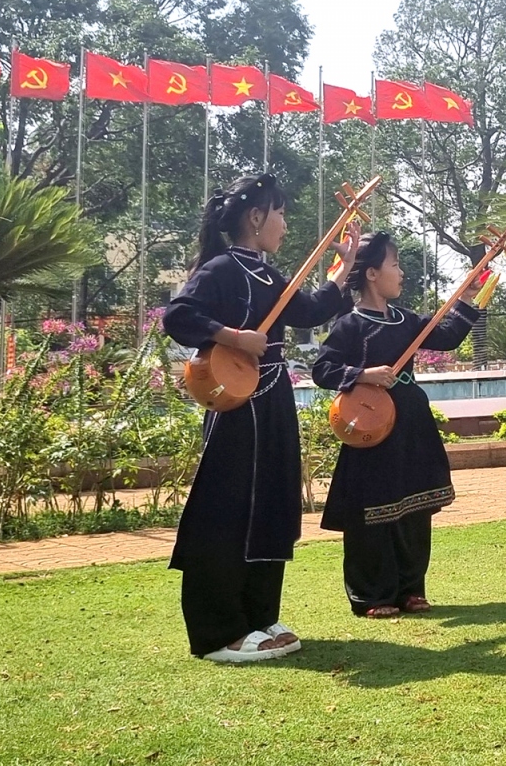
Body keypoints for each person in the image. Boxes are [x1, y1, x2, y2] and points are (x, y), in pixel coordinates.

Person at [163, 173, 359, 662]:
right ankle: (218, 631)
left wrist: (344, 267)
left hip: (271, 399)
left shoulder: (269, 276)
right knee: (230, 506)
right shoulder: (222, 269)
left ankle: (259, 616)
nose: (285, 224)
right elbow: (178, 316)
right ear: (256, 217)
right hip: (235, 401)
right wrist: (232, 336)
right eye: (281, 213)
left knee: (272, 500)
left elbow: (310, 310)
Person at [313, 232, 481, 617]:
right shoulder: (351, 325)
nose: (401, 273)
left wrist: (469, 296)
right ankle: (373, 595)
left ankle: (410, 588)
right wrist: (364, 374)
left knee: (415, 507)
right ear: (372, 274)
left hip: (411, 419)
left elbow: (449, 336)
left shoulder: (407, 320)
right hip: (372, 423)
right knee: (374, 510)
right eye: (395, 265)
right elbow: (322, 369)